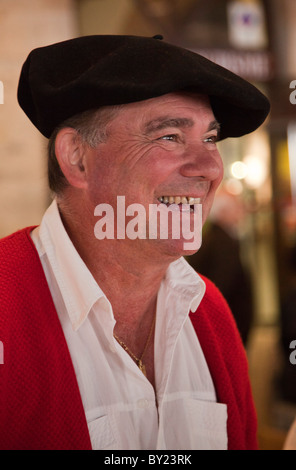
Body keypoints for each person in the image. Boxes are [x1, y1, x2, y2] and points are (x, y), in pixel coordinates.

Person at [0, 35, 270, 450]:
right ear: (77, 158)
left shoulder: (209, 312)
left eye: (211, 138)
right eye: (169, 137)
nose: (209, 167)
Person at [188, 188, 254, 345]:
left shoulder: (218, 237)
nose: (242, 211)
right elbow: (222, 286)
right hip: (228, 325)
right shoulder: (221, 243)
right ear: (223, 212)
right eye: (237, 207)